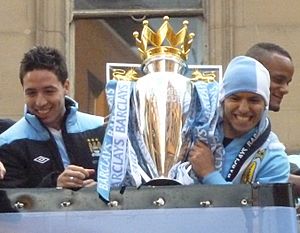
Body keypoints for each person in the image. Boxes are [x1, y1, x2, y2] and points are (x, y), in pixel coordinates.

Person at [0, 46, 106, 189]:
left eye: (49, 91)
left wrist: (101, 192)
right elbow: (12, 203)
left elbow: (127, 185)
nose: (40, 102)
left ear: (66, 86)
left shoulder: (100, 128)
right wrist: (54, 188)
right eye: (31, 93)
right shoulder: (8, 142)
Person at [188, 56, 290, 184]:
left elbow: (264, 204)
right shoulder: (194, 131)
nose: (243, 108)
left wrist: (209, 174)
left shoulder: (274, 157)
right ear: (222, 101)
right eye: (235, 98)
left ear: (265, 105)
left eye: (254, 100)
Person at [245, 42, 294, 112]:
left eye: (287, 83)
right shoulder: (227, 121)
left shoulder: (264, 122)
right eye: (278, 80)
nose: (285, 90)